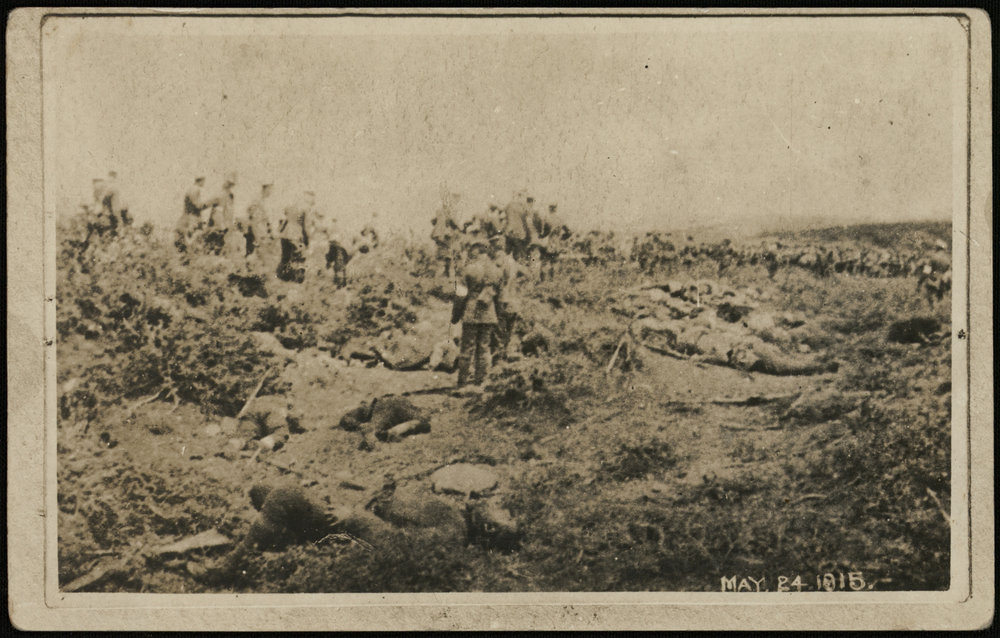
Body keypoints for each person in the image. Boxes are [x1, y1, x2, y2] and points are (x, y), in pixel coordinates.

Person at [452, 237, 505, 387]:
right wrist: (498, 315)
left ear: (476, 250)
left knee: (466, 348)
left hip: (471, 312)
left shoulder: (467, 269)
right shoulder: (497, 271)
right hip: (489, 313)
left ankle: (462, 382)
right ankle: (481, 381)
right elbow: (499, 298)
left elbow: (460, 296)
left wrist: (455, 316)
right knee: (484, 348)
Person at [277, 190, 311, 283]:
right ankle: (296, 277)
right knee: (298, 256)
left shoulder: (289, 208)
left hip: (286, 235)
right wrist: (306, 241)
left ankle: (284, 276)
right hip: (295, 236)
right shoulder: (303, 210)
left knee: (286, 256)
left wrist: (280, 231)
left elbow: (285, 222)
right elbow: (304, 227)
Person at [203, 173, 239, 256]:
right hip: (218, 229)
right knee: (211, 252)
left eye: (231, 184)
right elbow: (206, 205)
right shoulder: (220, 195)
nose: (229, 186)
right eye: (229, 184)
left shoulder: (229, 196)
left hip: (225, 229)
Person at [176, 175, 210, 252]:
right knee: (192, 238)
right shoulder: (195, 189)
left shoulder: (191, 189)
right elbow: (197, 205)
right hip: (192, 218)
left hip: (189, 217)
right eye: (204, 181)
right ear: (201, 180)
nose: (204, 183)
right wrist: (209, 204)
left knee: (192, 238)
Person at [431, 193, 461, 277]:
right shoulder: (448, 210)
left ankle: (445, 272)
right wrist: (459, 227)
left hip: (441, 234)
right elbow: (452, 221)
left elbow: (434, 220)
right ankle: (443, 272)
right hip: (444, 234)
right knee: (445, 252)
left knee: (445, 252)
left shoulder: (443, 210)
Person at [502, 191, 535, 263]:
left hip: (508, 233)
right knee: (520, 258)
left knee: (506, 255)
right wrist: (530, 235)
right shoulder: (524, 208)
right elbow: (529, 223)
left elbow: (502, 217)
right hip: (520, 235)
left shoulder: (509, 205)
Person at [244, 181, 274, 258]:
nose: (271, 192)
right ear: (265, 188)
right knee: (252, 257)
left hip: (260, 233)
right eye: (270, 189)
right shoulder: (257, 201)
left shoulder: (262, 201)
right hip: (255, 234)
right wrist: (257, 238)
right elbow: (253, 221)